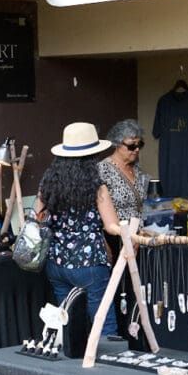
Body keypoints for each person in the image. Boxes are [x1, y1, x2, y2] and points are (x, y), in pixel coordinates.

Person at [35, 122, 122, 337]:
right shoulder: (96, 186)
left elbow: (38, 218)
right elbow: (112, 226)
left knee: (67, 322)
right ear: (92, 157)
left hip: (56, 261)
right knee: (103, 323)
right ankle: (108, 358)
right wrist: (129, 230)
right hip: (90, 262)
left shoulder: (47, 184)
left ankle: (70, 356)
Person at [98, 119, 151, 345]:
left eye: (140, 145)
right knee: (120, 290)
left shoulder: (136, 169)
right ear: (117, 144)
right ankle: (122, 339)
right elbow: (96, 210)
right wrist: (104, 241)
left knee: (136, 291)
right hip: (115, 237)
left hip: (137, 237)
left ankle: (137, 338)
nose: (136, 150)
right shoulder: (103, 170)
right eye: (131, 145)